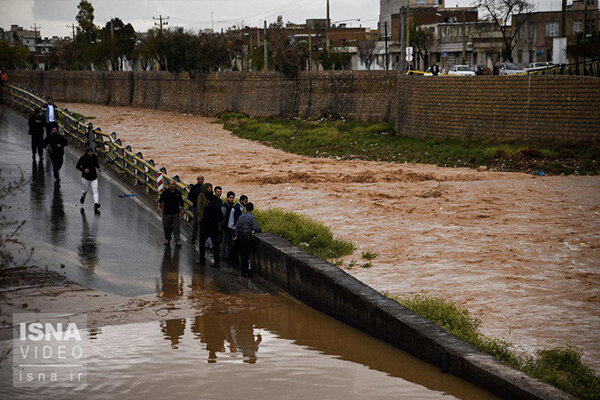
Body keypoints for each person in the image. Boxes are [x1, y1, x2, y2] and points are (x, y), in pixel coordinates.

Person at [234, 202, 261, 278]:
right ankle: (245, 271)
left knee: (242, 254)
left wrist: (236, 234)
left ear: (246, 208)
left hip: (240, 236)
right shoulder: (251, 217)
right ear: (252, 209)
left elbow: (237, 226)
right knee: (246, 255)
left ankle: (243, 271)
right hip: (246, 237)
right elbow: (256, 227)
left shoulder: (242, 215)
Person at [198, 193, 223, 268]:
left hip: (206, 228)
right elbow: (221, 217)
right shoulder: (218, 207)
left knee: (202, 243)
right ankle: (217, 262)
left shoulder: (207, 207)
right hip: (215, 228)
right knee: (216, 245)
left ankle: (202, 260)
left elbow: (204, 219)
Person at [158, 180, 184, 247]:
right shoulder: (165, 192)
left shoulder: (178, 193)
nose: (172, 185)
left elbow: (181, 202)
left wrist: (182, 211)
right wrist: (159, 207)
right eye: (171, 184)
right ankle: (167, 238)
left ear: (175, 185)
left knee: (176, 228)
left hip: (175, 213)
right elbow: (160, 200)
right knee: (166, 227)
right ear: (168, 185)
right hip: (167, 213)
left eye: (173, 184)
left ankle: (177, 240)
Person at [76, 147, 102, 213]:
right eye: (89, 153)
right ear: (87, 153)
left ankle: (96, 203)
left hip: (94, 177)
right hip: (85, 177)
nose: (91, 154)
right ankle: (83, 196)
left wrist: (98, 168)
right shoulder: (82, 158)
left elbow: (96, 163)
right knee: (85, 190)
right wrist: (83, 170)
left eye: (91, 152)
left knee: (95, 190)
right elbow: (77, 166)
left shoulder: (94, 157)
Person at [228, 195, 248, 266]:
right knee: (236, 248)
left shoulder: (238, 207)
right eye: (245, 201)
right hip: (234, 229)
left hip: (233, 228)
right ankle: (234, 262)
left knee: (235, 247)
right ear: (241, 201)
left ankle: (234, 262)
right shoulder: (238, 209)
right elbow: (238, 222)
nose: (246, 203)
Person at [187, 175, 204, 243]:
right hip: (196, 208)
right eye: (199, 179)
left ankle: (202, 239)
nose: (200, 180)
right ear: (197, 180)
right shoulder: (194, 188)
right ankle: (193, 238)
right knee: (196, 223)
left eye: (201, 179)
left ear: (203, 180)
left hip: (204, 208)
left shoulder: (205, 187)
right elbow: (190, 197)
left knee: (203, 224)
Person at [196, 183, 213, 248]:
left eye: (211, 188)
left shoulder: (211, 196)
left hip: (210, 218)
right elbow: (199, 208)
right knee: (203, 233)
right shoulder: (201, 196)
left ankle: (209, 245)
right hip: (203, 218)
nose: (210, 189)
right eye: (208, 188)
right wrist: (203, 218)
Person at [221, 191, 235, 260]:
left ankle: (227, 255)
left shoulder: (232, 205)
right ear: (227, 198)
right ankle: (223, 255)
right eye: (230, 198)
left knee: (228, 241)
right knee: (225, 241)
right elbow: (222, 216)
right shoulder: (225, 206)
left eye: (232, 198)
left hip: (229, 227)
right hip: (225, 226)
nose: (232, 199)